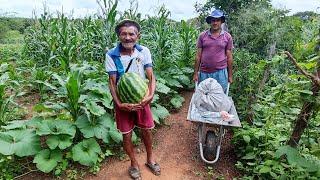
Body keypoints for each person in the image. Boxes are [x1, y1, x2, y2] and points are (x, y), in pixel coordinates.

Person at [105, 19, 160, 179]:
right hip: (123, 102)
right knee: (127, 134)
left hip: (143, 98)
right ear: (119, 36)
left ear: (138, 36)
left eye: (131, 34)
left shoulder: (144, 51)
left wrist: (149, 96)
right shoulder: (111, 55)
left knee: (147, 130)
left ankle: (150, 159)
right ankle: (134, 164)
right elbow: (112, 82)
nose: (127, 37)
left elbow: (151, 76)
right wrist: (119, 104)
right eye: (124, 34)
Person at [193, 9, 234, 94]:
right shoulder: (202, 36)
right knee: (204, 96)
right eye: (213, 20)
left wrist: (230, 75)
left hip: (221, 73)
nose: (215, 23)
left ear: (221, 22)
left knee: (220, 96)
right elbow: (198, 56)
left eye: (218, 20)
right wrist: (195, 73)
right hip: (204, 73)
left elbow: (229, 57)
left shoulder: (227, 37)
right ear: (210, 22)